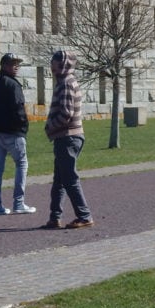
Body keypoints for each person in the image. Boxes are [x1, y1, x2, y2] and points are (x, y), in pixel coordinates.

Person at [41, 50, 94, 229]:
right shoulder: (65, 82)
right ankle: (54, 217)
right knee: (60, 180)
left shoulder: (66, 83)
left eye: (53, 62)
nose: (51, 66)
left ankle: (84, 216)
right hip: (67, 137)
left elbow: (65, 114)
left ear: (62, 64)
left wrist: (50, 127)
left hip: (68, 137)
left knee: (69, 179)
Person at [0, 53, 36, 216]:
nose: (16, 66)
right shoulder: (13, 85)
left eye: (17, 64)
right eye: (13, 64)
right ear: (4, 65)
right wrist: (23, 128)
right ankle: (19, 203)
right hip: (13, 133)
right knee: (21, 164)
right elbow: (19, 110)